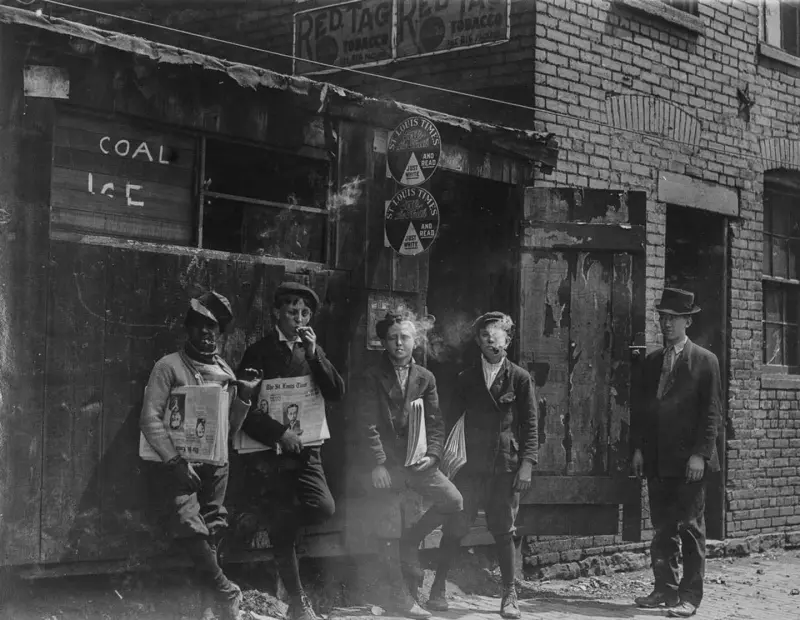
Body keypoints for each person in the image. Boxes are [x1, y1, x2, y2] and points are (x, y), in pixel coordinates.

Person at [140, 291, 263, 620]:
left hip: (216, 464)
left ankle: (208, 606)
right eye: (200, 326)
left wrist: (244, 396)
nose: (207, 333)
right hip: (180, 466)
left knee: (214, 526)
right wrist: (175, 462)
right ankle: (225, 589)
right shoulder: (168, 367)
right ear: (188, 328)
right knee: (188, 523)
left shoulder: (224, 370)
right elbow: (150, 419)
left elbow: (229, 428)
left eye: (213, 328)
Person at [237, 281, 345, 620]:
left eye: (304, 313)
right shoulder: (258, 352)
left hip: (306, 452)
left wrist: (314, 355)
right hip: (270, 455)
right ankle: (299, 603)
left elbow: (336, 392)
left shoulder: (311, 351)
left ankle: (272, 519)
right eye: (292, 312)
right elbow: (244, 411)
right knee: (283, 530)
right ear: (276, 313)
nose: (299, 319)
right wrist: (279, 433)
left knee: (323, 507)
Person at [426, 312, 537, 620]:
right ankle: (437, 588)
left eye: (497, 335)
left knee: (503, 529)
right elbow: (449, 419)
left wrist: (527, 464)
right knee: (456, 525)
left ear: (508, 340)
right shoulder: (467, 378)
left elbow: (530, 425)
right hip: (470, 467)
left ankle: (509, 594)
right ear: (478, 341)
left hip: (504, 466)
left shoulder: (519, 378)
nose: (491, 340)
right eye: (485, 335)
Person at [354, 312, 463, 619]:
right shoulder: (371, 376)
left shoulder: (426, 378)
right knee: (389, 526)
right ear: (384, 342)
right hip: (387, 466)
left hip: (418, 462)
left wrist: (433, 456)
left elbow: (436, 423)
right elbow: (366, 424)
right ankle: (400, 597)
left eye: (405, 337)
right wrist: (377, 464)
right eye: (392, 338)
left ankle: (412, 539)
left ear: (416, 341)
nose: (399, 343)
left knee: (453, 501)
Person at [631, 288, 722, 618]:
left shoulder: (705, 361)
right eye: (663, 317)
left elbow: (712, 414)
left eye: (674, 318)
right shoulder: (653, 361)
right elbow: (643, 412)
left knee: (690, 528)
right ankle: (664, 589)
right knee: (662, 528)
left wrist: (701, 454)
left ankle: (690, 597)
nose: (667, 324)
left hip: (689, 462)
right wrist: (639, 450)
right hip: (658, 459)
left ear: (688, 321)